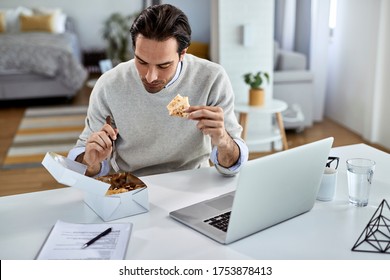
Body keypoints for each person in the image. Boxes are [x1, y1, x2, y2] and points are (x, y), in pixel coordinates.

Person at [68, 4, 248, 177]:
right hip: (130, 185)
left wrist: (223, 139)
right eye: (142, 62)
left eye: (164, 65)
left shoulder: (212, 78)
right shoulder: (109, 84)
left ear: (183, 53)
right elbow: (80, 160)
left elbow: (232, 167)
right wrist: (90, 162)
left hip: (194, 181)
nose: (150, 77)